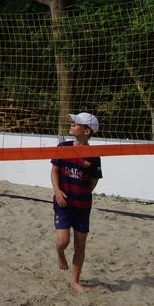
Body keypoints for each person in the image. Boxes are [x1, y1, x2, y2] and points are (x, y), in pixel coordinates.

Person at [51, 112, 103, 292]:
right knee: (63, 242)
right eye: (73, 122)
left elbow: (94, 180)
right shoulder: (63, 147)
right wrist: (57, 191)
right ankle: (59, 252)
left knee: (80, 245)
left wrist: (83, 193)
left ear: (87, 131)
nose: (72, 124)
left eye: (76, 123)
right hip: (63, 204)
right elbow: (54, 171)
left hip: (82, 206)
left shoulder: (93, 155)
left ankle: (75, 281)